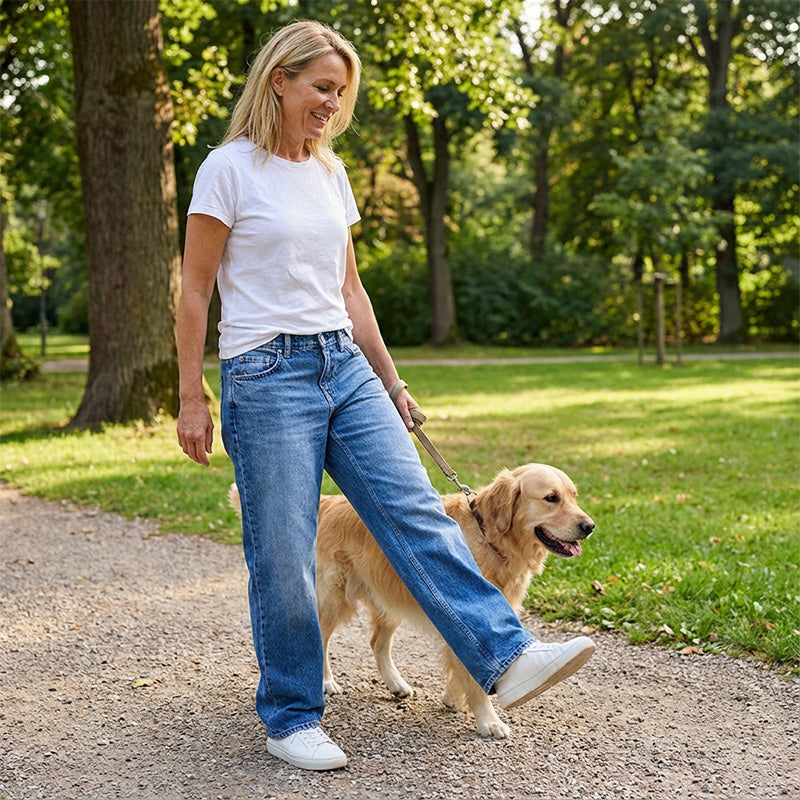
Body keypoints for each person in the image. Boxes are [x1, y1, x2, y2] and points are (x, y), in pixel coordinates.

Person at [176, 19, 595, 772]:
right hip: (264, 376)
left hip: (344, 366)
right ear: (279, 81)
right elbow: (196, 288)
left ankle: (505, 655)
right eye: (322, 88)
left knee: (416, 514)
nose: (334, 104)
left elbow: (349, 288)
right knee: (283, 556)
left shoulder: (331, 175)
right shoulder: (228, 170)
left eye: (342, 92)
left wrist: (392, 381)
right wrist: (191, 395)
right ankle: (292, 714)